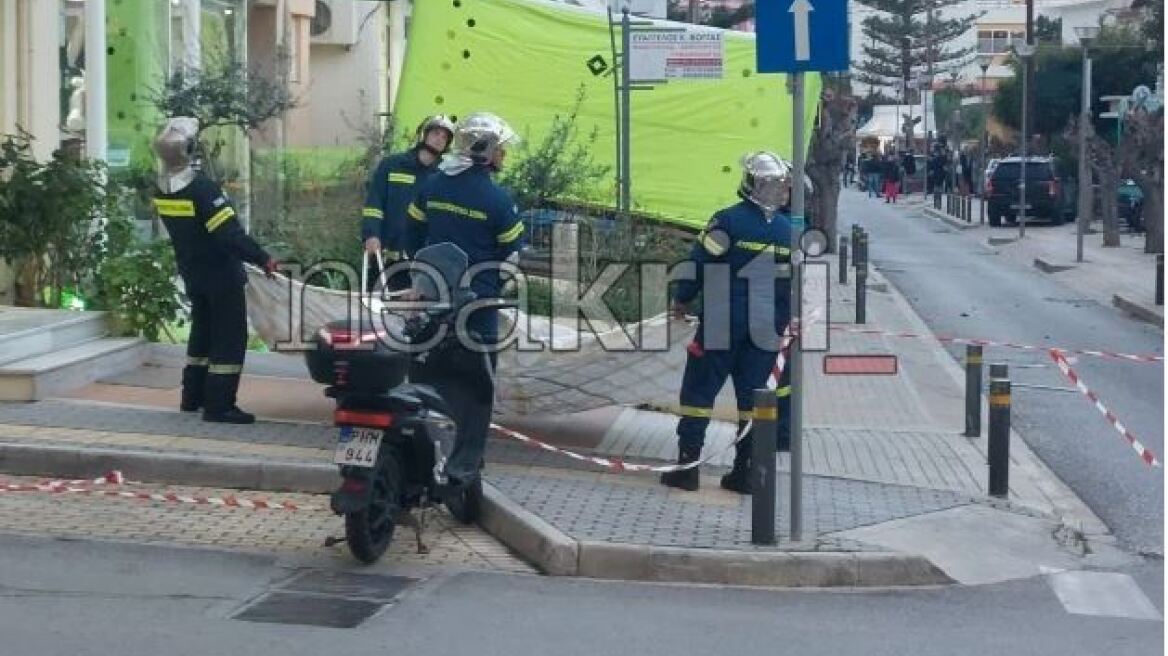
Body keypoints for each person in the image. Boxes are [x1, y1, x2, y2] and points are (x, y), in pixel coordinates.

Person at [405, 112, 526, 497]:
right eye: (501, 150)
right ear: (487, 150)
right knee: (476, 394)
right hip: (478, 313)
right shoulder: (499, 200)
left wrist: (423, 281)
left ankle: (419, 461)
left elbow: (411, 235)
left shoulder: (434, 184)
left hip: (430, 307)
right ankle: (464, 468)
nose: (503, 156)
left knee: (424, 384)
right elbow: (512, 259)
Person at [659, 151, 794, 493]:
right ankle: (744, 473)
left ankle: (687, 469)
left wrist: (683, 298)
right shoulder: (786, 232)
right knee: (753, 401)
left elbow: (699, 263)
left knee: (698, 394)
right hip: (764, 329)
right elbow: (788, 285)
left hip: (722, 322)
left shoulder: (727, 222)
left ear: (748, 182)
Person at [152, 117, 278, 424]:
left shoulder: (161, 189)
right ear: (190, 149)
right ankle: (220, 405)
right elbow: (229, 235)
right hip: (221, 275)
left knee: (201, 336)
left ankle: (192, 397)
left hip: (193, 273)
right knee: (228, 339)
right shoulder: (203, 189)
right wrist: (262, 258)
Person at [361, 115, 455, 292]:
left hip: (421, 265)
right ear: (424, 134)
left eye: (445, 137)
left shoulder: (444, 176)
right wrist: (371, 234)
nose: (439, 139)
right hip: (385, 259)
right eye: (436, 133)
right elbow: (374, 203)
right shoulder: (392, 165)